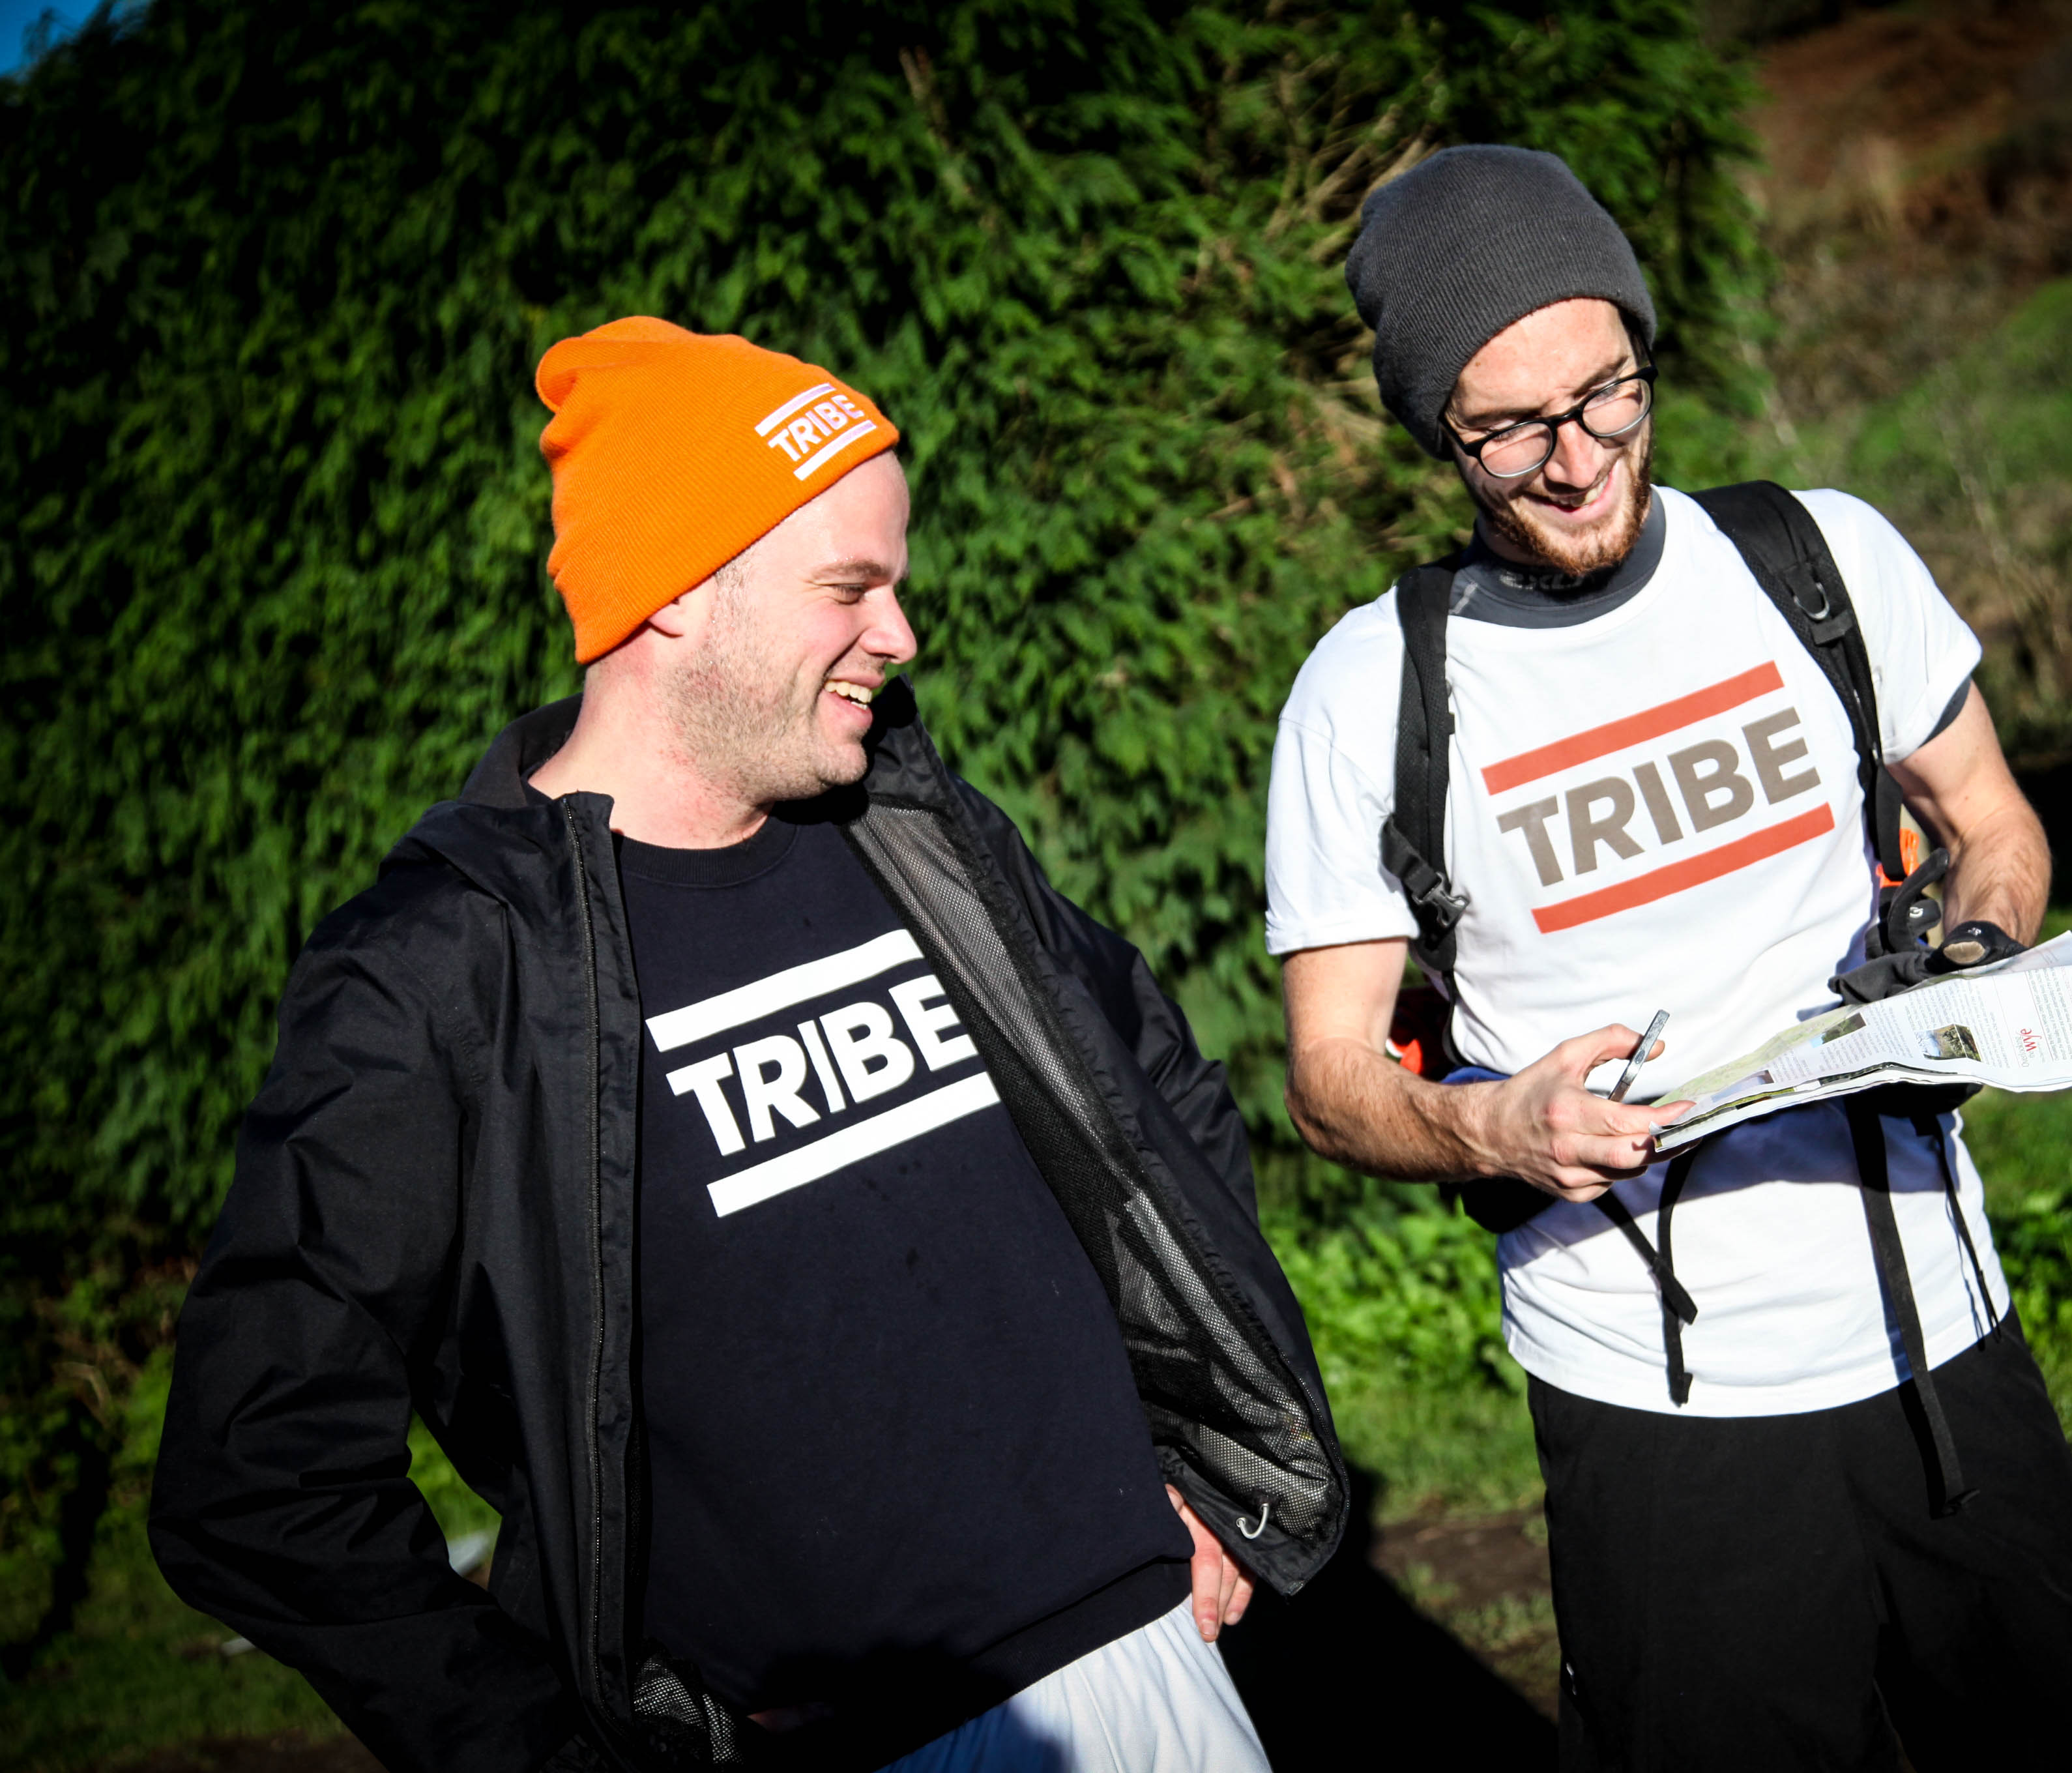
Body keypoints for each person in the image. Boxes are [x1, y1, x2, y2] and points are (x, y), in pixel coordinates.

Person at [151, 318, 1346, 1773]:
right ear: (672, 595)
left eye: (895, 586)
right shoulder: (444, 968)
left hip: (1152, 1671)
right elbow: (258, 1472)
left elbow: (1153, 1091)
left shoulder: (922, 837)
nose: (900, 635)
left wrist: (1210, 1473)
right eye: (850, 586)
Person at [1264, 147, 2072, 1769]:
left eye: (1609, 395)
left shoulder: (1824, 561)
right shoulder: (1367, 690)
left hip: (1941, 1340)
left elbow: (1996, 829)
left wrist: (1974, 956)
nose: (1578, 458)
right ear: (1438, 431)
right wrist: (1484, 1126)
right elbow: (1326, 1077)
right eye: (1511, 427)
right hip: (1655, 1411)